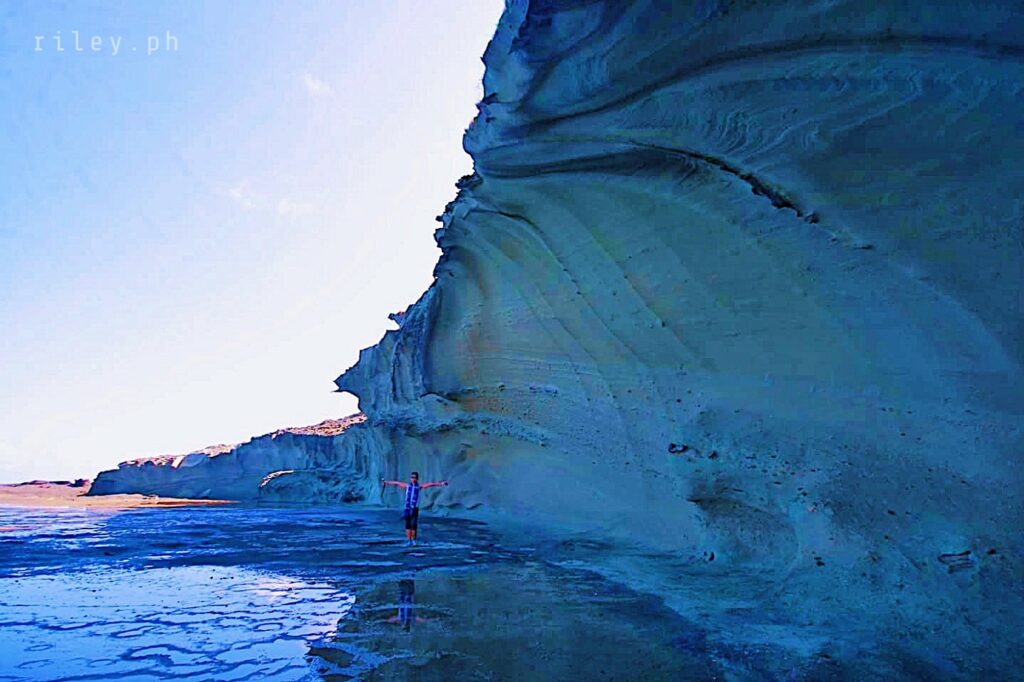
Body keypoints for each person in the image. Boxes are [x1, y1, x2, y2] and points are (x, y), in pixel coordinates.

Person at [381, 471, 448, 545]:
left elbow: (430, 484)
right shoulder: (407, 486)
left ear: (417, 478)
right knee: (408, 524)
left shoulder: (418, 487)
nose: (413, 479)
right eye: (412, 477)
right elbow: (396, 483)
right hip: (407, 508)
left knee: (413, 524)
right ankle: (408, 540)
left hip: (414, 508)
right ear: (410, 478)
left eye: (415, 477)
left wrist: (441, 484)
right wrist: (386, 482)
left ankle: (413, 540)